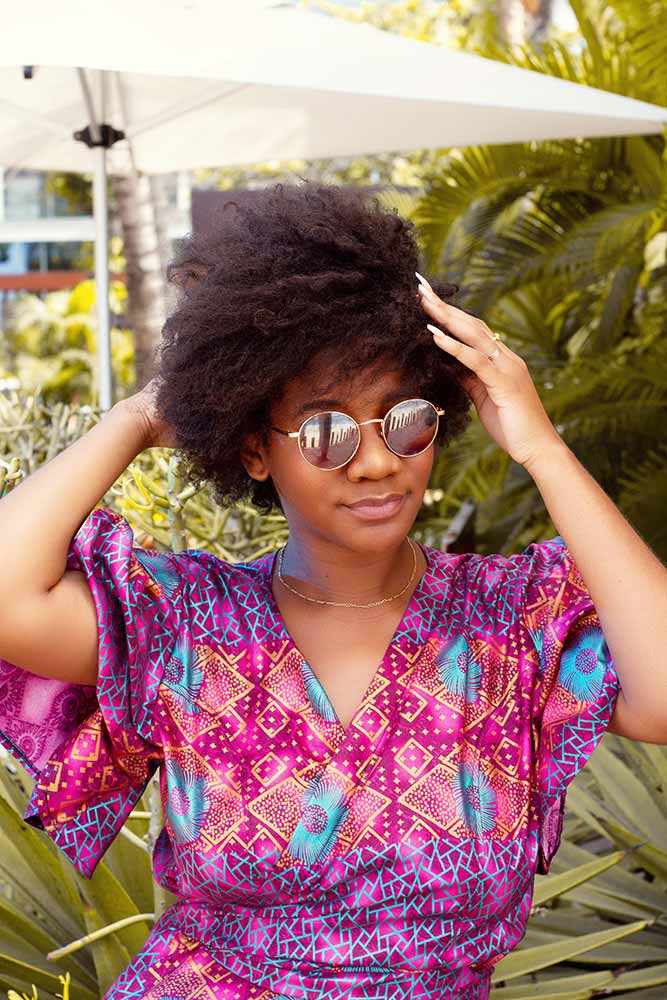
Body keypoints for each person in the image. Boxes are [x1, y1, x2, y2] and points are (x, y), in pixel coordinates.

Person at [0, 182, 665, 1000]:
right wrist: (140, 415)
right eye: (325, 430)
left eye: (405, 419)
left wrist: (541, 447)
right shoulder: (188, 625)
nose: (377, 460)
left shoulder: (513, 618)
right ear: (252, 449)